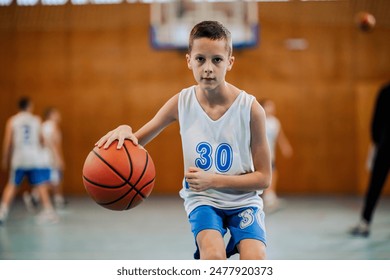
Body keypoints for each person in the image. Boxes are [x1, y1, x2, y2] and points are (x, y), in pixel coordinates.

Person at [96, 21, 272, 259]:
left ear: (230, 62)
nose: (208, 68)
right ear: (188, 60)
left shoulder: (251, 109)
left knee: (256, 260)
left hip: (243, 201)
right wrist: (126, 128)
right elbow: (136, 141)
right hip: (203, 200)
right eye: (200, 59)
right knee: (213, 256)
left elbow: (263, 179)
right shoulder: (181, 102)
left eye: (217, 60)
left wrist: (214, 180)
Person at [0, 97, 58, 225]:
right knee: (41, 185)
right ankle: (49, 211)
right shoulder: (36, 120)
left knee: (13, 185)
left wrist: (5, 158)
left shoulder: (12, 121)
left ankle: (2, 212)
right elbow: (42, 140)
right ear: (29, 106)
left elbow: (8, 141)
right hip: (34, 158)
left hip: (19, 158)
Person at [349, 83, 390, 237]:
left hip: (385, 146)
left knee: (375, 185)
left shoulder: (386, 91)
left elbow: (376, 120)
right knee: (375, 185)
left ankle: (365, 222)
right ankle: (365, 221)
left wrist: (377, 141)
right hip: (385, 146)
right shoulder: (385, 91)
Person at [23, 107, 66, 210]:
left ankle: (37, 197)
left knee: (49, 179)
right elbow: (54, 143)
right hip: (50, 157)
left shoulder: (42, 125)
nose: (59, 115)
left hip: (41, 156)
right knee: (53, 180)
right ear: (50, 115)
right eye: (56, 113)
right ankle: (36, 197)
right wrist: (58, 157)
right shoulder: (53, 126)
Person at [260, 99, 293, 212]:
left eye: (272, 106)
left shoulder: (275, 122)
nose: (271, 109)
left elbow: (280, 137)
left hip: (271, 154)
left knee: (273, 172)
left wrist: (285, 146)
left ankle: (270, 195)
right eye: (268, 106)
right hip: (259, 154)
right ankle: (264, 196)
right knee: (262, 173)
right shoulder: (258, 119)